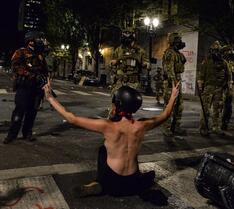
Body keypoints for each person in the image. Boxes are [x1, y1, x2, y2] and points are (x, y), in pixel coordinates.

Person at [43, 82, 180, 205]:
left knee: (103, 150)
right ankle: (123, 181)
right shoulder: (142, 125)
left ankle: (98, 183)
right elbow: (165, 115)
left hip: (112, 183)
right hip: (132, 183)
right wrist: (173, 96)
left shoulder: (108, 126)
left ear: (118, 104)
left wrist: (50, 97)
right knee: (144, 171)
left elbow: (71, 118)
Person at [3, 31, 48, 144]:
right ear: (30, 41)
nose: (38, 42)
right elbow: (15, 66)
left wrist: (45, 82)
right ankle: (11, 135)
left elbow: (45, 71)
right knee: (19, 112)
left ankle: (27, 132)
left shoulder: (40, 55)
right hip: (24, 87)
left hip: (36, 89)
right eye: (36, 40)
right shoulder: (21, 52)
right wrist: (32, 75)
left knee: (32, 112)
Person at [104, 28, 150, 118]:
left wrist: (146, 64)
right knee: (115, 105)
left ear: (133, 36)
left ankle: (126, 125)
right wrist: (113, 62)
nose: (126, 36)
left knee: (128, 107)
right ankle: (112, 124)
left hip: (132, 83)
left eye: (128, 33)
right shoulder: (119, 49)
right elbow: (112, 62)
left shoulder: (140, 51)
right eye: (124, 33)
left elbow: (146, 62)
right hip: (119, 82)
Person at [197, 41, 232, 136]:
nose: (216, 52)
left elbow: (229, 76)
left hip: (219, 89)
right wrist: (200, 86)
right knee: (206, 110)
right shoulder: (206, 62)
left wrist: (229, 87)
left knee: (218, 109)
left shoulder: (224, 63)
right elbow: (201, 75)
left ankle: (216, 127)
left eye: (217, 50)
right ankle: (203, 128)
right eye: (214, 50)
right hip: (208, 88)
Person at [162, 32, 187, 136]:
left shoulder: (178, 54)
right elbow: (169, 70)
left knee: (179, 106)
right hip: (171, 82)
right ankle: (166, 128)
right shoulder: (170, 53)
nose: (180, 42)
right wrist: (173, 83)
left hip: (177, 80)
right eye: (177, 40)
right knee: (169, 105)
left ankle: (176, 126)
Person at [220, 45, 234, 130]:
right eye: (228, 51)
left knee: (229, 107)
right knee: (220, 106)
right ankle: (218, 124)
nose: (231, 53)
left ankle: (225, 124)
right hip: (222, 87)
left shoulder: (232, 64)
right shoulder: (221, 62)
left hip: (230, 87)